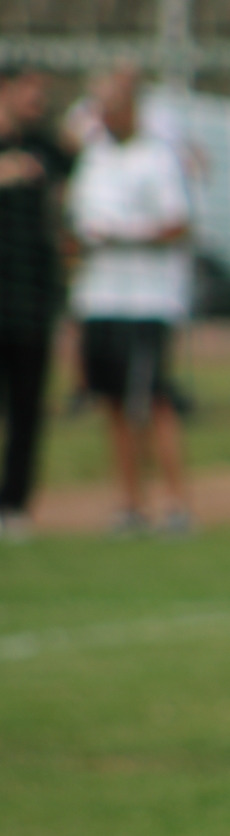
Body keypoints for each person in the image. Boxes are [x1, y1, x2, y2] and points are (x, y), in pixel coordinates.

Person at [67, 70, 194, 535]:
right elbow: (76, 222)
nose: (105, 116)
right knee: (114, 403)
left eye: (113, 106)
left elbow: (178, 225)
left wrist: (122, 237)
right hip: (99, 297)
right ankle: (130, 505)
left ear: (133, 108)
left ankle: (176, 505)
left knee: (154, 401)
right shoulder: (93, 159)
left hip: (147, 301)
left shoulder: (157, 158)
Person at [0, 66, 77, 541]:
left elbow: (86, 158)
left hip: (32, 300)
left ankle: (14, 506)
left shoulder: (45, 148)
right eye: (28, 89)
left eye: (41, 91)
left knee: (27, 408)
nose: (37, 99)